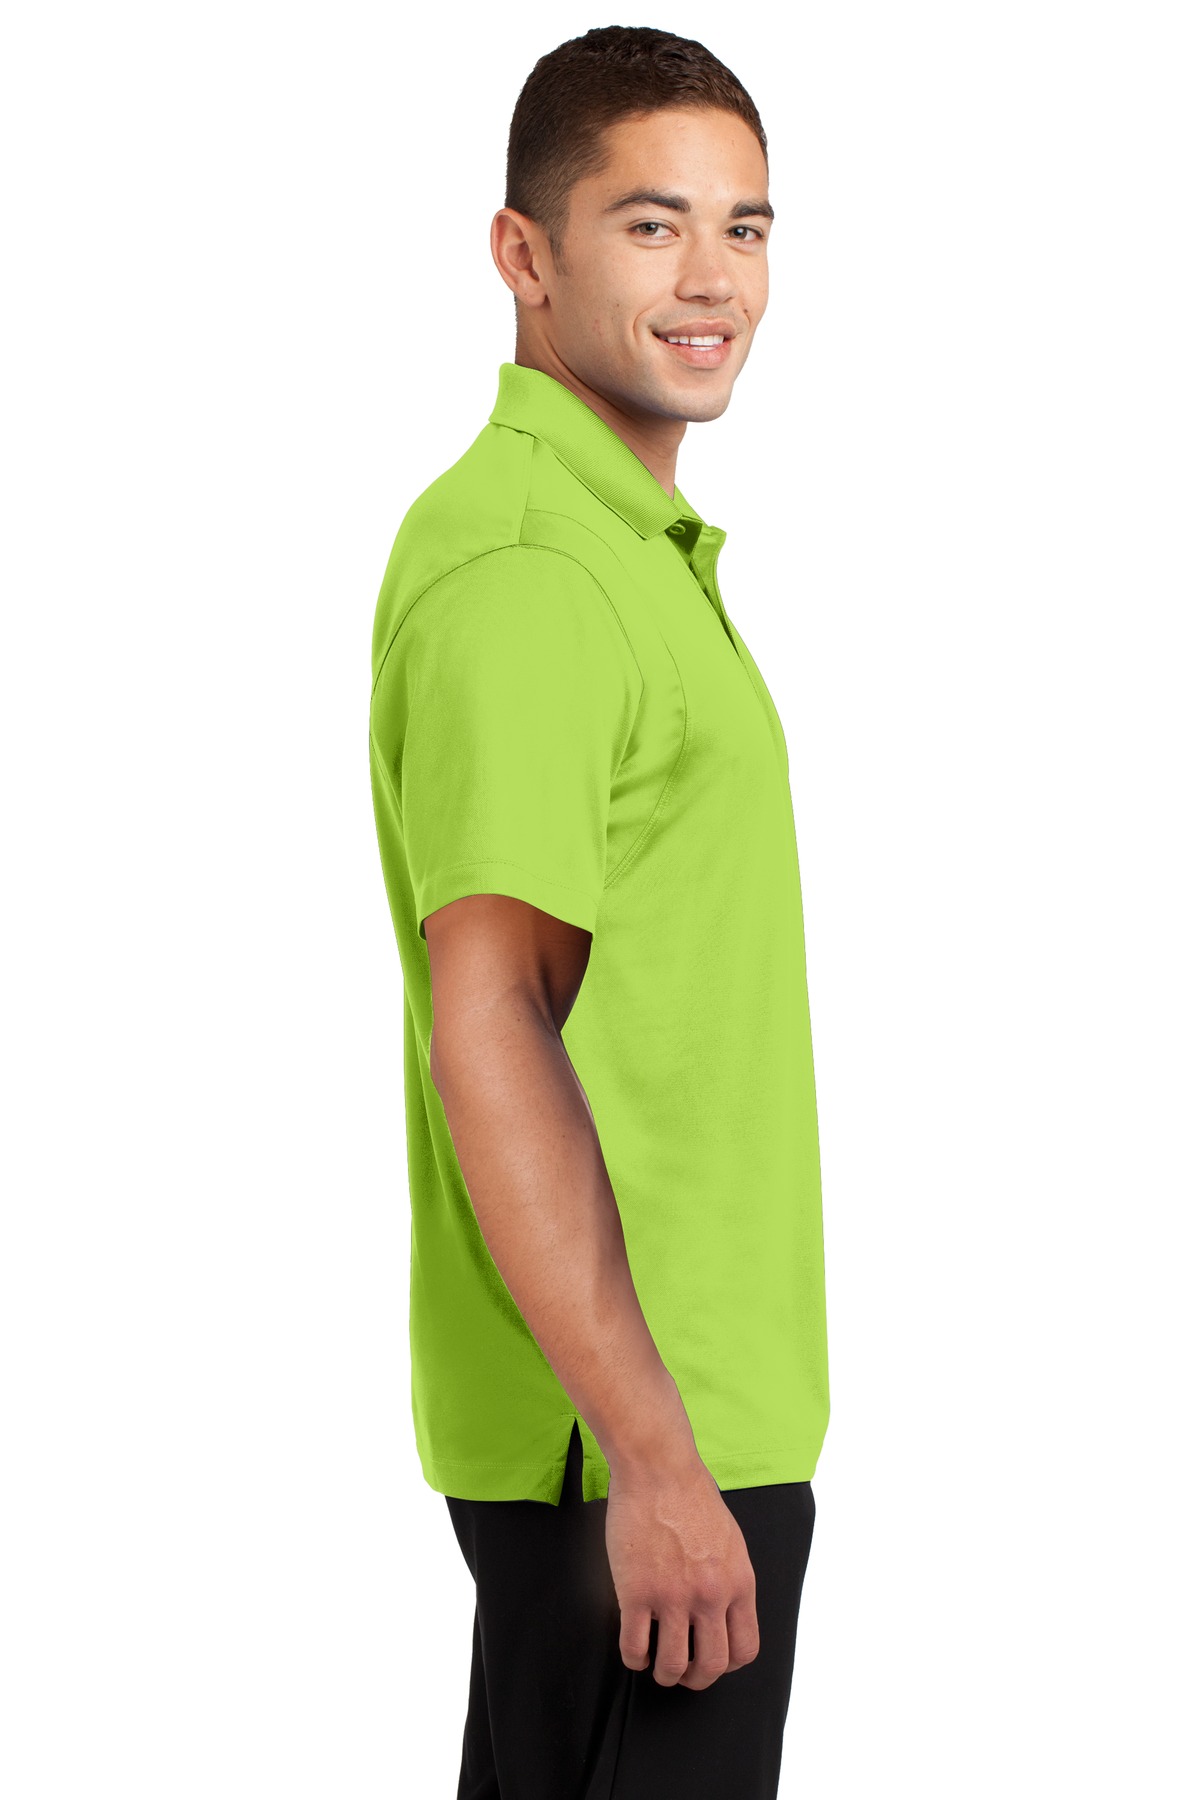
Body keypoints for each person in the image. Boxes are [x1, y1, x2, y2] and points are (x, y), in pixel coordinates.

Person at [368, 24, 830, 1799]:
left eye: (745, 226)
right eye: (652, 224)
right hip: (632, 1444)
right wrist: (652, 1455)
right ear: (525, 253)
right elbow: (487, 1015)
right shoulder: (533, 575)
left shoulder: (612, 548)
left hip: (671, 1425)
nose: (714, 278)